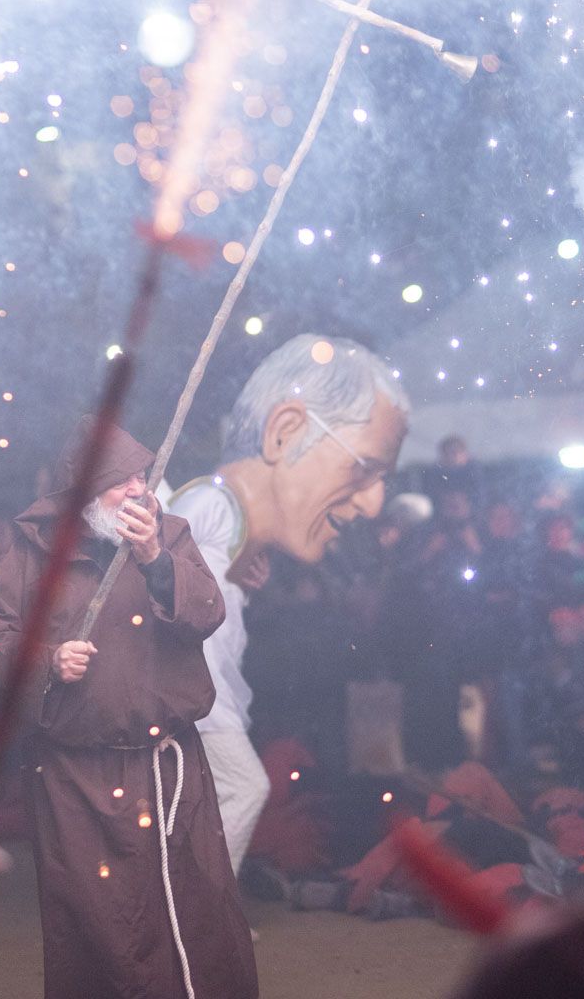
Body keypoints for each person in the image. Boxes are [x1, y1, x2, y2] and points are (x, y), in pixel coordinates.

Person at [0, 419, 257, 999]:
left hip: (168, 771)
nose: (136, 490)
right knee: (102, 932)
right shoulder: (33, 552)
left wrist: (154, 558)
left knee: (195, 917)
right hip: (76, 782)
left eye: (141, 476)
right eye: (119, 480)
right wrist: (48, 660)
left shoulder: (169, 534)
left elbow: (206, 612)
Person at [168, 333, 408, 876]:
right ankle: (196, 916)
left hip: (203, 695)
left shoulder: (235, 530)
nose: (373, 503)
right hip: (186, 696)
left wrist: (235, 576)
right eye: (362, 468)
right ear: (286, 431)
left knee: (204, 802)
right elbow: (157, 556)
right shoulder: (211, 502)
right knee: (244, 789)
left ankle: (188, 916)